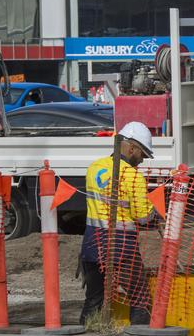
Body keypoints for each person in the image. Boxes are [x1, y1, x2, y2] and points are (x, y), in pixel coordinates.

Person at [79, 121, 158, 325]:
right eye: (143, 154)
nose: (142, 160)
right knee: (140, 299)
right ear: (131, 148)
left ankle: (88, 331)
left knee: (93, 300)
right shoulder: (133, 177)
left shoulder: (93, 167)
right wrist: (156, 214)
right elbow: (143, 217)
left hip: (91, 245)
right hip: (122, 247)